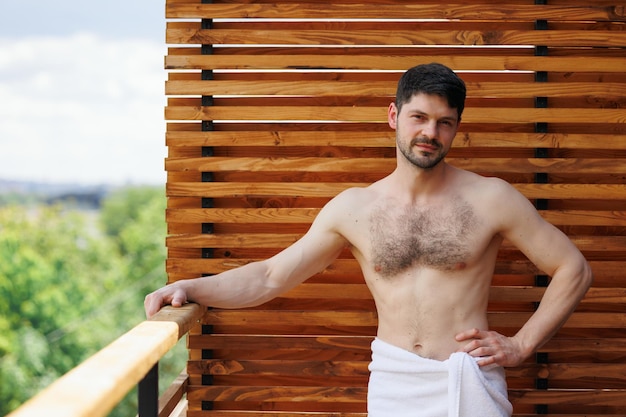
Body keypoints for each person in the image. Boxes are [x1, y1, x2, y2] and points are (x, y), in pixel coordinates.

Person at [144, 63, 593, 416]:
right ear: (395, 115)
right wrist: (189, 288)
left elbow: (574, 268)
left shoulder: (490, 198)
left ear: (456, 128)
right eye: (419, 117)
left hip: (468, 383)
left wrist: (521, 344)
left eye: (444, 123)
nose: (430, 134)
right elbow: (269, 276)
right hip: (396, 384)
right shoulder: (354, 209)